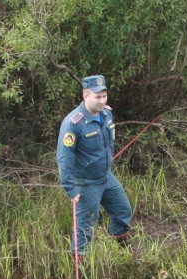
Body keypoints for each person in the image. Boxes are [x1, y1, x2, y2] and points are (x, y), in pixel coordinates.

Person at [56, 76, 133, 256]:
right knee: (86, 225)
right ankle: (79, 269)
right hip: (86, 182)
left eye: (104, 96)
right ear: (85, 96)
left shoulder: (106, 114)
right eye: (97, 97)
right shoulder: (73, 124)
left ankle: (122, 252)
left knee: (123, 211)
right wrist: (71, 189)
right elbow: (64, 158)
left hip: (106, 177)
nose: (102, 101)